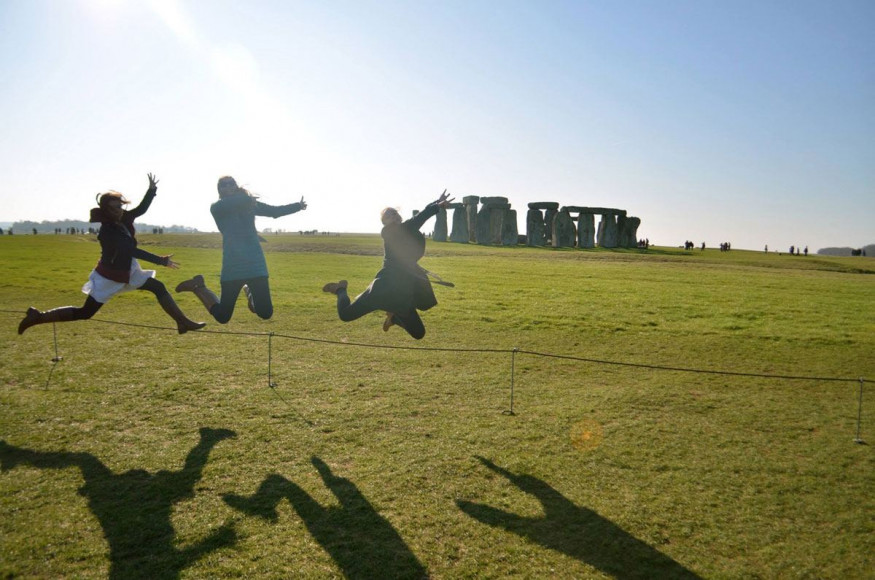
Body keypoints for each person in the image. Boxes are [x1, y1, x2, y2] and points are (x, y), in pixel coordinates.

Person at [18, 174, 205, 335]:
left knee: (157, 286)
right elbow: (131, 250)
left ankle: (182, 322)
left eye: (120, 206)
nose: (118, 210)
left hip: (127, 270)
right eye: (114, 207)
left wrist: (151, 190)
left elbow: (140, 210)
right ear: (105, 210)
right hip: (110, 276)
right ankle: (38, 317)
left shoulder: (123, 219)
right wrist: (161, 261)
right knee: (85, 312)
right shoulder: (108, 230)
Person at [322, 190, 454, 340]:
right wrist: (436, 206)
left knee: (419, 333)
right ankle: (340, 289)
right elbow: (418, 218)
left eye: (395, 213)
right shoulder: (388, 232)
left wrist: (436, 202)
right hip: (384, 288)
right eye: (388, 214)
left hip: (404, 290)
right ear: (384, 222)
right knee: (345, 315)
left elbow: (415, 221)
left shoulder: (408, 229)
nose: (393, 214)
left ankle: (393, 318)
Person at [175, 176, 307, 323]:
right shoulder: (217, 207)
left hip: (255, 263)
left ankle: (249, 293)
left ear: (235, 186)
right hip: (233, 265)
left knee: (265, 312)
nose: (227, 186)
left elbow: (274, 212)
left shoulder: (248, 203)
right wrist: (246, 197)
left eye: (231, 183)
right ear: (219, 190)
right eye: (223, 185)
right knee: (223, 316)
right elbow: (235, 202)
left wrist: (297, 206)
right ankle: (198, 287)